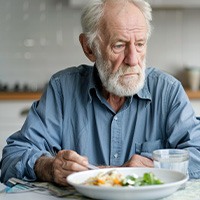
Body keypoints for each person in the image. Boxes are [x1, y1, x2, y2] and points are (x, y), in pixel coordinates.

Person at [1, 0, 200, 186]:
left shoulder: (168, 91)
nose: (133, 59)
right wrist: (49, 167)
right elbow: (13, 156)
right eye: (119, 45)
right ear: (89, 48)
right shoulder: (62, 89)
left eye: (139, 44)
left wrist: (157, 167)